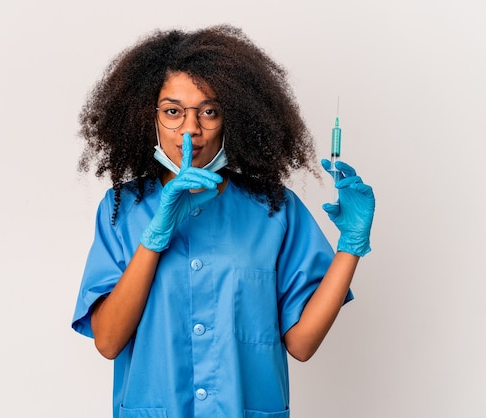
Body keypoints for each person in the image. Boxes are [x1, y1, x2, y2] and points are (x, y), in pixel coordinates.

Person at [71, 24, 375, 418]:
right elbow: (108, 342)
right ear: (148, 116)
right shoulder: (121, 209)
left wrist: (350, 245)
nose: (191, 129)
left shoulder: (275, 210)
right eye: (173, 111)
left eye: (209, 111)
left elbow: (301, 344)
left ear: (234, 117)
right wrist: (154, 237)